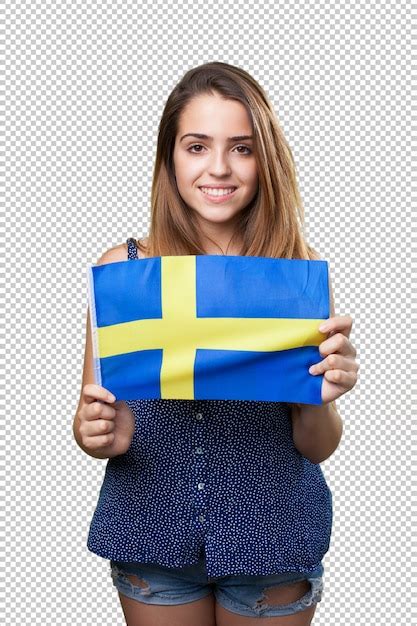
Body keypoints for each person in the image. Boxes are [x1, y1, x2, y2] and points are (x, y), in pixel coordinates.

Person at [72, 61, 359, 626]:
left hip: (273, 539)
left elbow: (317, 445)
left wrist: (324, 393)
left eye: (243, 148)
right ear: (170, 157)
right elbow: (95, 421)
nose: (219, 168)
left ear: (265, 160)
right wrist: (99, 434)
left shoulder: (294, 276)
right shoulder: (124, 272)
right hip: (152, 530)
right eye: (197, 146)